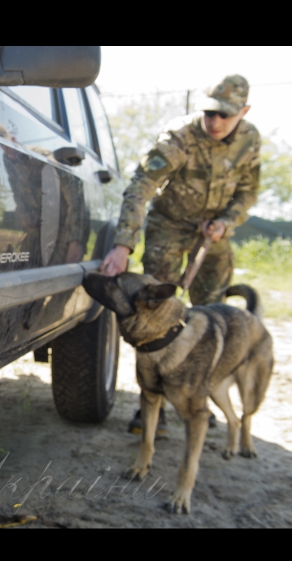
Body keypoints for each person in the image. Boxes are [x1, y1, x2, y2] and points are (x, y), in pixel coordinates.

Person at [101, 74, 261, 436]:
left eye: (225, 115)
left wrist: (225, 222)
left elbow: (248, 192)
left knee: (213, 311)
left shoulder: (250, 139)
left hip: (212, 231)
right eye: (209, 113)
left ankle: (197, 396)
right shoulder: (179, 136)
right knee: (153, 312)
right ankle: (150, 409)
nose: (215, 122)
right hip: (169, 226)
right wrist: (124, 244)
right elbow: (141, 186)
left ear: (244, 112)